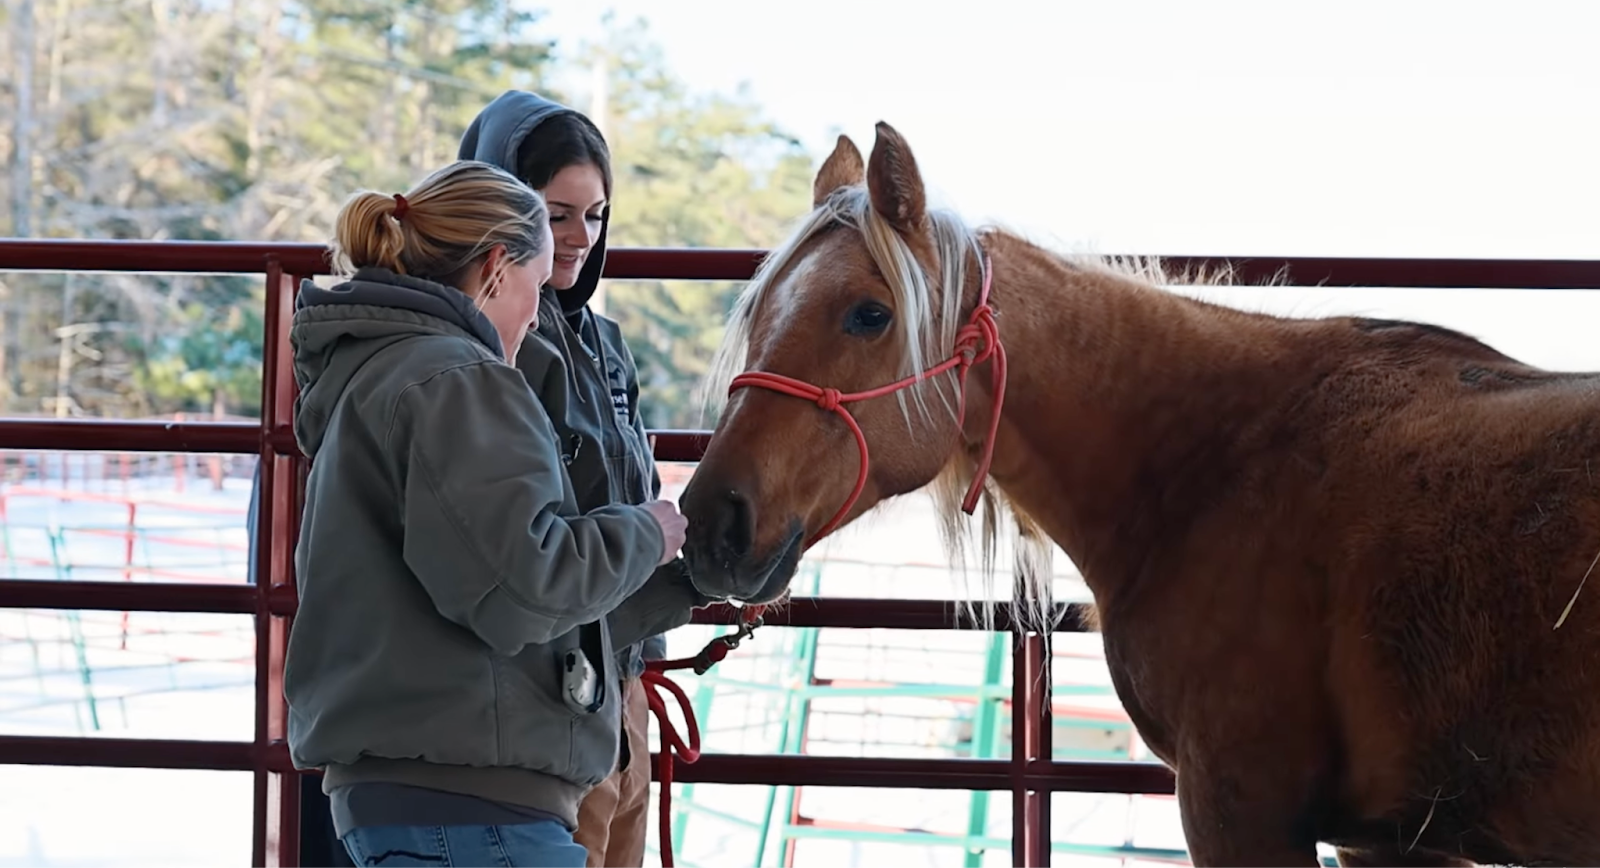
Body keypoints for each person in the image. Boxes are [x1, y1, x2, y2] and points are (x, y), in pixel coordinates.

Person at [281, 159, 707, 867]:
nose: (538, 316)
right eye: (536, 286)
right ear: (494, 270)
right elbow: (523, 587)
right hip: (472, 805)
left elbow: (476, 580)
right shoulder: (461, 381)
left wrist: (685, 583)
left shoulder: (377, 374)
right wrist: (649, 532)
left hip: (417, 794)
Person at [458, 91, 694, 868]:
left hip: (616, 674)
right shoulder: (485, 350)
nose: (578, 240)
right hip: (541, 691)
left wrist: (689, 575)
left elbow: (625, 499)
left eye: (595, 217)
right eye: (555, 215)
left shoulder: (604, 343)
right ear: (503, 208)